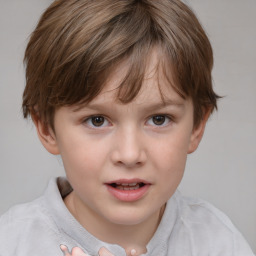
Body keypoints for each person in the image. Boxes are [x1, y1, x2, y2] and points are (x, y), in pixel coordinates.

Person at [0, 0, 254, 255]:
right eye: (97, 120)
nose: (130, 154)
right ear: (46, 128)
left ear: (197, 126)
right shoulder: (11, 243)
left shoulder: (219, 243)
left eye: (158, 119)